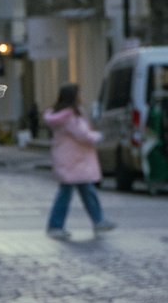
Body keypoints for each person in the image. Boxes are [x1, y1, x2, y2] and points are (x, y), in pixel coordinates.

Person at [42, 82, 115, 237]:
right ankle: (56, 226)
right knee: (72, 193)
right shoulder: (70, 117)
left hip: (70, 159)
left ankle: (97, 221)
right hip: (76, 160)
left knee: (84, 191)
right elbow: (83, 135)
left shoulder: (61, 115)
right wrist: (99, 136)